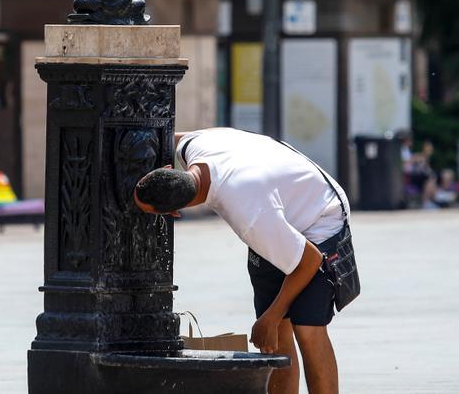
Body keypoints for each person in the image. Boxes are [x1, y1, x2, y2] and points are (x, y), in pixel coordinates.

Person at [133, 128, 352, 394]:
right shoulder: (192, 146)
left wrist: (270, 317)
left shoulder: (249, 215)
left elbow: (309, 260)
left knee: (307, 327)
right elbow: (168, 135)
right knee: (275, 337)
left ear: (173, 212)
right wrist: (273, 320)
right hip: (276, 202)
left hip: (319, 212)